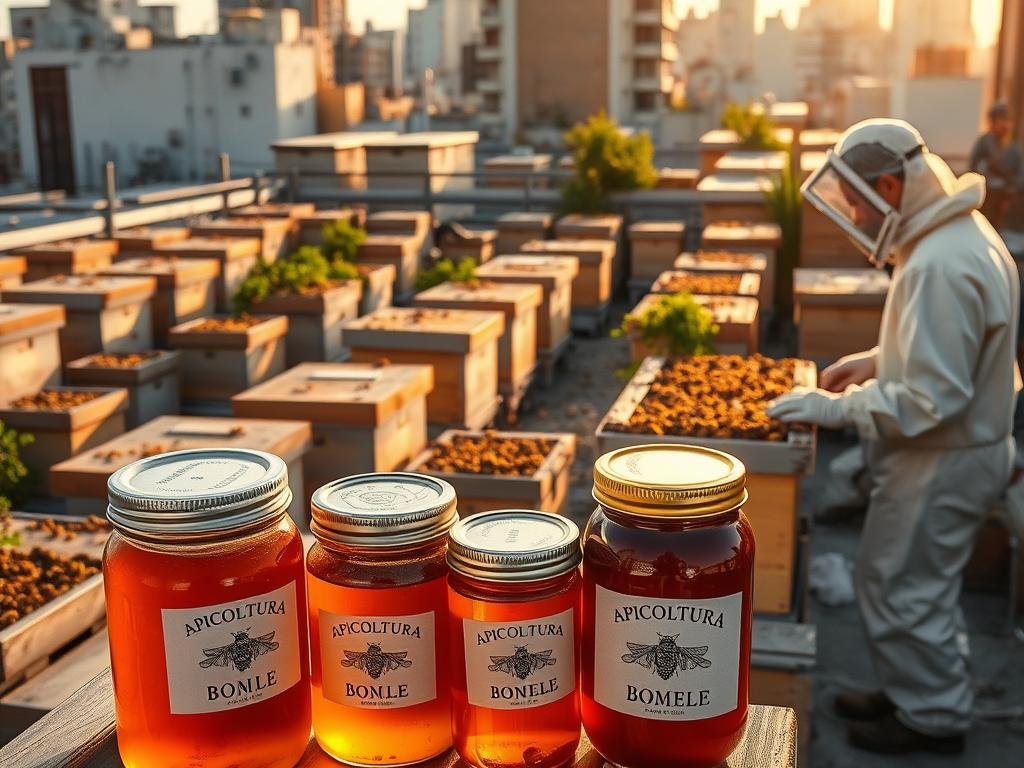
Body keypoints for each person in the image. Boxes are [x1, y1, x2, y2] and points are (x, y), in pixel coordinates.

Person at [768, 119, 1021, 754]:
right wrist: (880, 360)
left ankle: (932, 718)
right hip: (952, 452)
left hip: (943, 457)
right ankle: (916, 688)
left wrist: (834, 410)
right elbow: (951, 346)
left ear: (889, 183)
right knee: (909, 583)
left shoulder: (940, 260)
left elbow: (933, 396)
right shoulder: (957, 238)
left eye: (858, 198)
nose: (853, 212)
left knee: (906, 588)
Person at [970, 101, 1021, 230]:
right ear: (992, 121)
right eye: (1001, 119)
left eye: (1007, 120)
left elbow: (1020, 171)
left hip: (1005, 194)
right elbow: (973, 165)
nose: (1005, 124)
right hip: (987, 193)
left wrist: (1012, 189)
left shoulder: (1014, 147)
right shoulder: (985, 142)